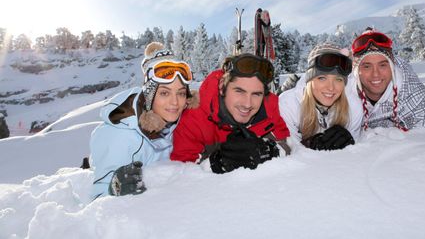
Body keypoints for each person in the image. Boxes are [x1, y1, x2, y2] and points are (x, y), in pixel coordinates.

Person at [90, 42, 194, 199]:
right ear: (149, 97)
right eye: (165, 93)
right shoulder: (123, 137)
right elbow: (98, 199)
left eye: (180, 93)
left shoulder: (173, 122)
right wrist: (114, 188)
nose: (175, 102)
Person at [171, 53, 291, 173]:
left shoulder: (269, 111)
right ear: (222, 86)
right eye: (239, 91)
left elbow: (290, 148)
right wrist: (216, 163)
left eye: (256, 94)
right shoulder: (194, 119)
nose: (247, 104)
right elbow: (181, 175)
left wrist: (272, 151)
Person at [279, 43, 363, 151]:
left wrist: (349, 146)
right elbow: (289, 153)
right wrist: (308, 145)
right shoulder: (288, 104)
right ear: (309, 79)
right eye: (322, 78)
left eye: (338, 79)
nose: (331, 88)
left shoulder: (353, 107)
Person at [348, 30, 425, 131]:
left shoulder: (410, 88)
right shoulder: (344, 88)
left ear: (392, 65)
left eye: (383, 65)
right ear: (356, 69)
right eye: (367, 66)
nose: (376, 74)